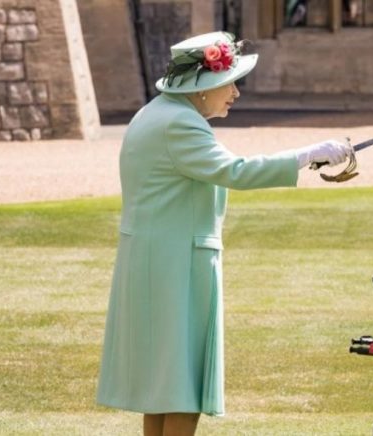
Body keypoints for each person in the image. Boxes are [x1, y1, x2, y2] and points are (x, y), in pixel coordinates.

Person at [96, 31, 352, 436]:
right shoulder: (179, 123)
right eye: (227, 83)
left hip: (159, 260)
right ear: (201, 88)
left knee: (165, 383)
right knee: (183, 384)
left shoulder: (157, 112)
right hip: (175, 264)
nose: (234, 92)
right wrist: (308, 155)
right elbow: (236, 172)